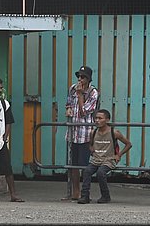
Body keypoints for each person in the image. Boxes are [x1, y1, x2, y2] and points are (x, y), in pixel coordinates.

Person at [77, 109, 131, 204]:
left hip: (109, 160)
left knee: (101, 173)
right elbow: (90, 144)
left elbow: (128, 144)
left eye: (100, 118)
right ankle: (85, 196)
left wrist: (119, 154)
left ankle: (105, 196)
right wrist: (92, 151)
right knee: (87, 171)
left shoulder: (114, 132)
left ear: (107, 120)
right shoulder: (93, 132)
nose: (97, 120)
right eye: (96, 118)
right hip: (96, 159)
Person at [62, 65, 99, 201]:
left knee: (84, 165)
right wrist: (68, 109)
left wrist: (80, 95)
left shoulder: (93, 93)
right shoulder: (72, 88)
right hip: (73, 132)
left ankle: (85, 193)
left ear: (88, 79)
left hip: (85, 132)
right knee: (73, 165)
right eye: (78, 76)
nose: (80, 79)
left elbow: (85, 112)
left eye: (83, 77)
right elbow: (68, 104)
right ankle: (75, 192)